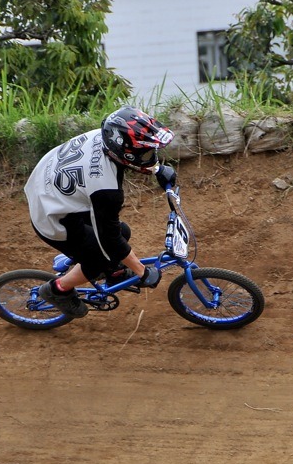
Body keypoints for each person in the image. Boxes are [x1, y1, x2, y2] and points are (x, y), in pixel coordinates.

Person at [24, 105, 178, 318]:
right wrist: (142, 272)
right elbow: (109, 239)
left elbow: (133, 154)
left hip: (48, 183)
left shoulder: (105, 136)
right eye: (148, 153)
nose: (151, 156)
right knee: (102, 256)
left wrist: (156, 169)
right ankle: (58, 289)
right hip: (52, 216)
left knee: (123, 232)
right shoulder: (106, 190)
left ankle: (109, 271)